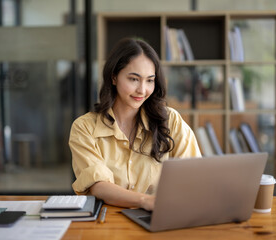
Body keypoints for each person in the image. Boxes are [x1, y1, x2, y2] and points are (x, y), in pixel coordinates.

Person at [69, 38, 201, 211]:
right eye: (133, 79)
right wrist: (145, 201)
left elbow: (194, 175)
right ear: (114, 77)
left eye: (150, 80)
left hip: (159, 217)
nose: (142, 90)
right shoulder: (84, 127)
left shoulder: (171, 121)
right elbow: (98, 185)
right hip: (109, 223)